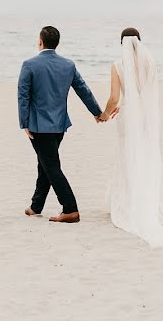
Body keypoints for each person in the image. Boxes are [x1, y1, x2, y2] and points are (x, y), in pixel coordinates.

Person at [98, 27, 163, 248]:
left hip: (128, 117)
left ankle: (130, 202)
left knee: (128, 156)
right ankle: (153, 202)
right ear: (140, 43)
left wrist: (104, 115)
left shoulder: (117, 66)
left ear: (121, 43)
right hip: (148, 118)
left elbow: (115, 97)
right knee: (148, 155)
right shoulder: (150, 64)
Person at [17, 26, 107, 223]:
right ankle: (36, 206)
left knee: (50, 165)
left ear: (40, 41)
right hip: (59, 125)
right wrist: (97, 112)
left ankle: (70, 208)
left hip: (38, 126)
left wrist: (24, 122)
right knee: (45, 163)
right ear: (56, 43)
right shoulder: (68, 65)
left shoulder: (29, 64)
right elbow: (83, 89)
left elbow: (23, 95)